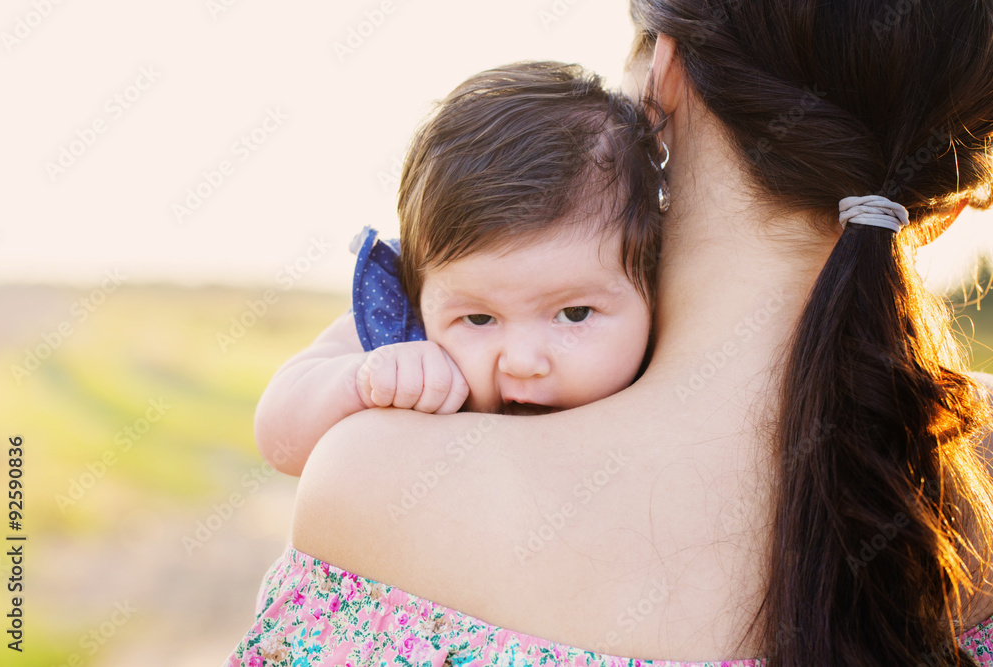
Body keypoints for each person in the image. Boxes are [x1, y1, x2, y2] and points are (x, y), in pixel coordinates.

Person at [227, 1, 993, 665]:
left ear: (666, 73)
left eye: (570, 312)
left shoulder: (382, 486)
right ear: (956, 200)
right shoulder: (976, 475)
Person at [253, 62, 664, 477]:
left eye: (574, 314)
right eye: (479, 318)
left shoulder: (674, 362)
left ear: (652, 285)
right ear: (418, 290)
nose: (521, 363)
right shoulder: (399, 325)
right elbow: (279, 442)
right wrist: (363, 381)